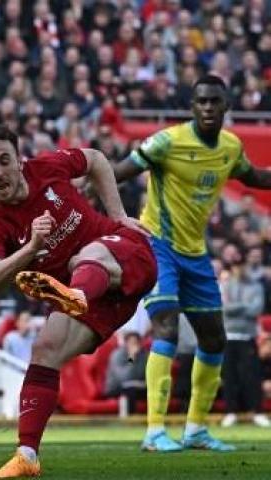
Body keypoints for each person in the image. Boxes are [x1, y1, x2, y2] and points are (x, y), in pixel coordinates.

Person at [0, 124, 156, 478]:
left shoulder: (48, 167)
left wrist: (117, 215)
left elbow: (96, 160)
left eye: (3, 161)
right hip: (95, 302)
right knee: (45, 350)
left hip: (125, 255)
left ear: (19, 160)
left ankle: (77, 293)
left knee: (84, 257)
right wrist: (30, 250)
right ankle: (27, 456)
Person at [114, 74, 271, 452]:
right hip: (157, 245)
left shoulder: (230, 148)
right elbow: (119, 171)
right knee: (165, 326)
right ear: (192, 107)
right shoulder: (168, 141)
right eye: (200, 101)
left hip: (195, 254)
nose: (207, 108)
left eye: (214, 101)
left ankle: (196, 429)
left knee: (214, 338)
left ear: (226, 106)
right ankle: (154, 431)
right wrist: (91, 200)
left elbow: (254, 177)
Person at [218, 251, 269, 427]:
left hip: (248, 336)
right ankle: (230, 412)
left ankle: (258, 412)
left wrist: (235, 308)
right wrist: (243, 308)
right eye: (235, 266)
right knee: (230, 376)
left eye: (241, 265)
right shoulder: (225, 285)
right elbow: (224, 308)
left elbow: (256, 309)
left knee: (252, 376)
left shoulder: (256, 286)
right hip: (229, 336)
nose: (239, 269)